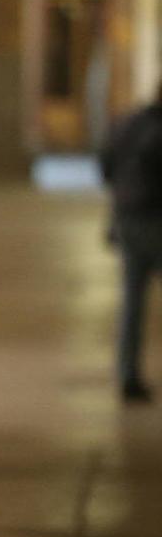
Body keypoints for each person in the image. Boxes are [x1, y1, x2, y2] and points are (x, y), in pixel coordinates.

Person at [100, 89, 162, 403]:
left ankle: (128, 374)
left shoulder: (127, 123)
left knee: (132, 304)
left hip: (127, 220)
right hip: (154, 221)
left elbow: (106, 166)